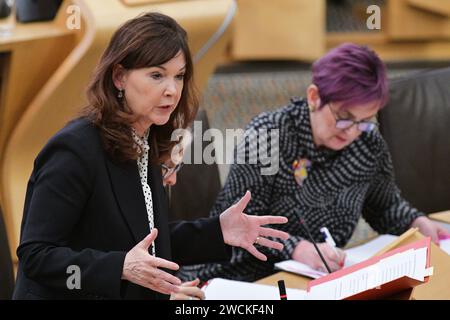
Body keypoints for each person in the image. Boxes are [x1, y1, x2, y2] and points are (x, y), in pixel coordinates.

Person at [12, 12, 289, 300]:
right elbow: (37, 256)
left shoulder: (147, 140)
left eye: (179, 76)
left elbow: (145, 239)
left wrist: (218, 231)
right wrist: (120, 267)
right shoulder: (74, 149)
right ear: (119, 77)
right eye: (157, 75)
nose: (172, 90)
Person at [178, 43, 450, 283]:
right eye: (343, 116)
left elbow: (385, 205)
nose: (351, 130)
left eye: (364, 121)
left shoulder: (368, 144)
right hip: (237, 279)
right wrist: (296, 248)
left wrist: (414, 220)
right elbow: (239, 226)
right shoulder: (267, 136)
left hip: (314, 279)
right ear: (314, 97)